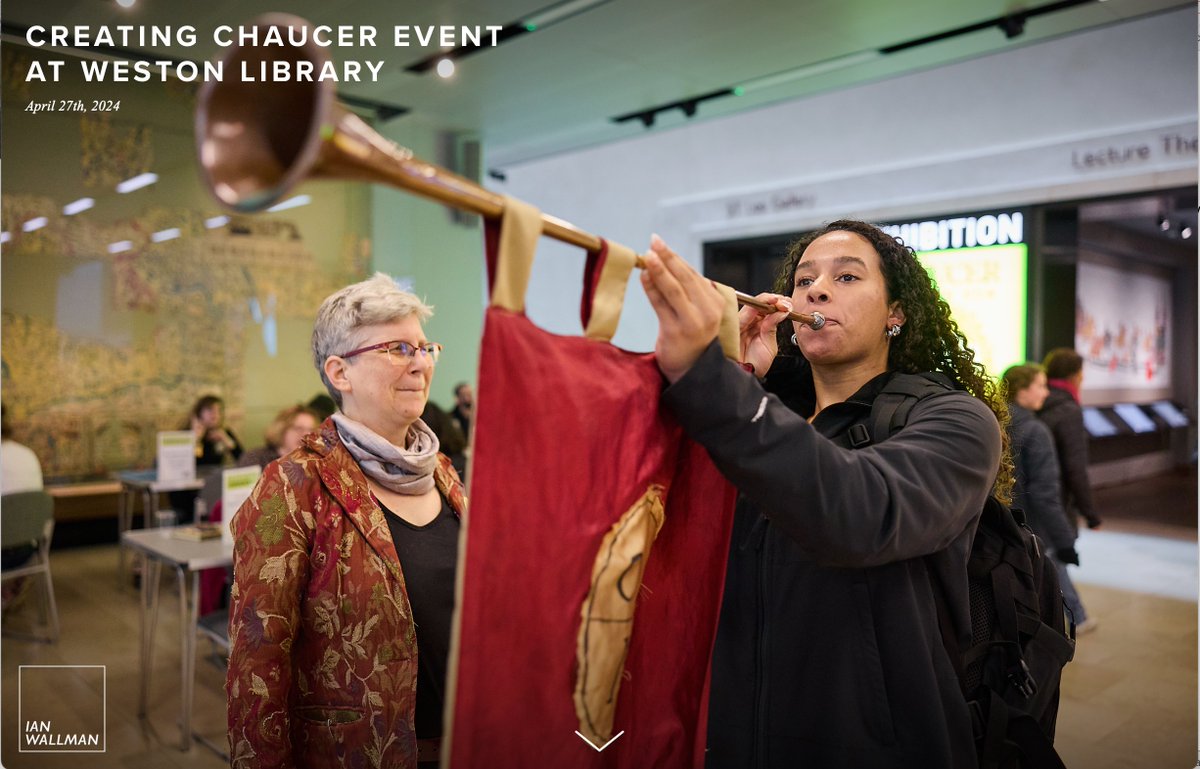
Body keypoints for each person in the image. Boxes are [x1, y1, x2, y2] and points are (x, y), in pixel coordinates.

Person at [639, 221, 1008, 768]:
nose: (815, 290)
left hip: (875, 744)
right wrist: (737, 372)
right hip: (731, 735)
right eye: (804, 278)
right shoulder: (764, 406)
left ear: (896, 313)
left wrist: (718, 387)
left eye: (847, 276)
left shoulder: (955, 420)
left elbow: (861, 514)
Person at [226, 273, 467, 769]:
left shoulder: (441, 472)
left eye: (424, 347)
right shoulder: (294, 486)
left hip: (469, 743)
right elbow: (257, 666)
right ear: (340, 373)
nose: (421, 363)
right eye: (398, 348)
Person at [1003, 363, 1094, 634]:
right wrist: (1065, 540)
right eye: (1040, 385)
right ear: (1022, 389)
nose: (1045, 392)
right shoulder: (1035, 431)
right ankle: (1076, 618)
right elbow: (1045, 495)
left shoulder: (993, 421)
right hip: (1032, 527)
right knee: (1052, 569)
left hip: (1000, 524)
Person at [1038, 347, 1103, 530]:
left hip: (1030, 497)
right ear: (1074, 375)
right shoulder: (1068, 410)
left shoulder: (1037, 402)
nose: (1083, 378)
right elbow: (1075, 466)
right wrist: (1091, 515)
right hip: (1057, 500)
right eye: (1081, 372)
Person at [237, 405, 320, 470]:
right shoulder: (256, 458)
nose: (306, 434)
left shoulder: (316, 462)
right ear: (281, 429)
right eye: (298, 428)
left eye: (311, 430)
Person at [187, 394, 244, 466]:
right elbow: (192, 462)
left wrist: (227, 440)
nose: (215, 414)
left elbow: (243, 459)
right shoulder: (188, 433)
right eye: (210, 409)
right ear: (199, 413)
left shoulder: (224, 432)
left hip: (217, 475)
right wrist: (197, 439)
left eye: (219, 410)